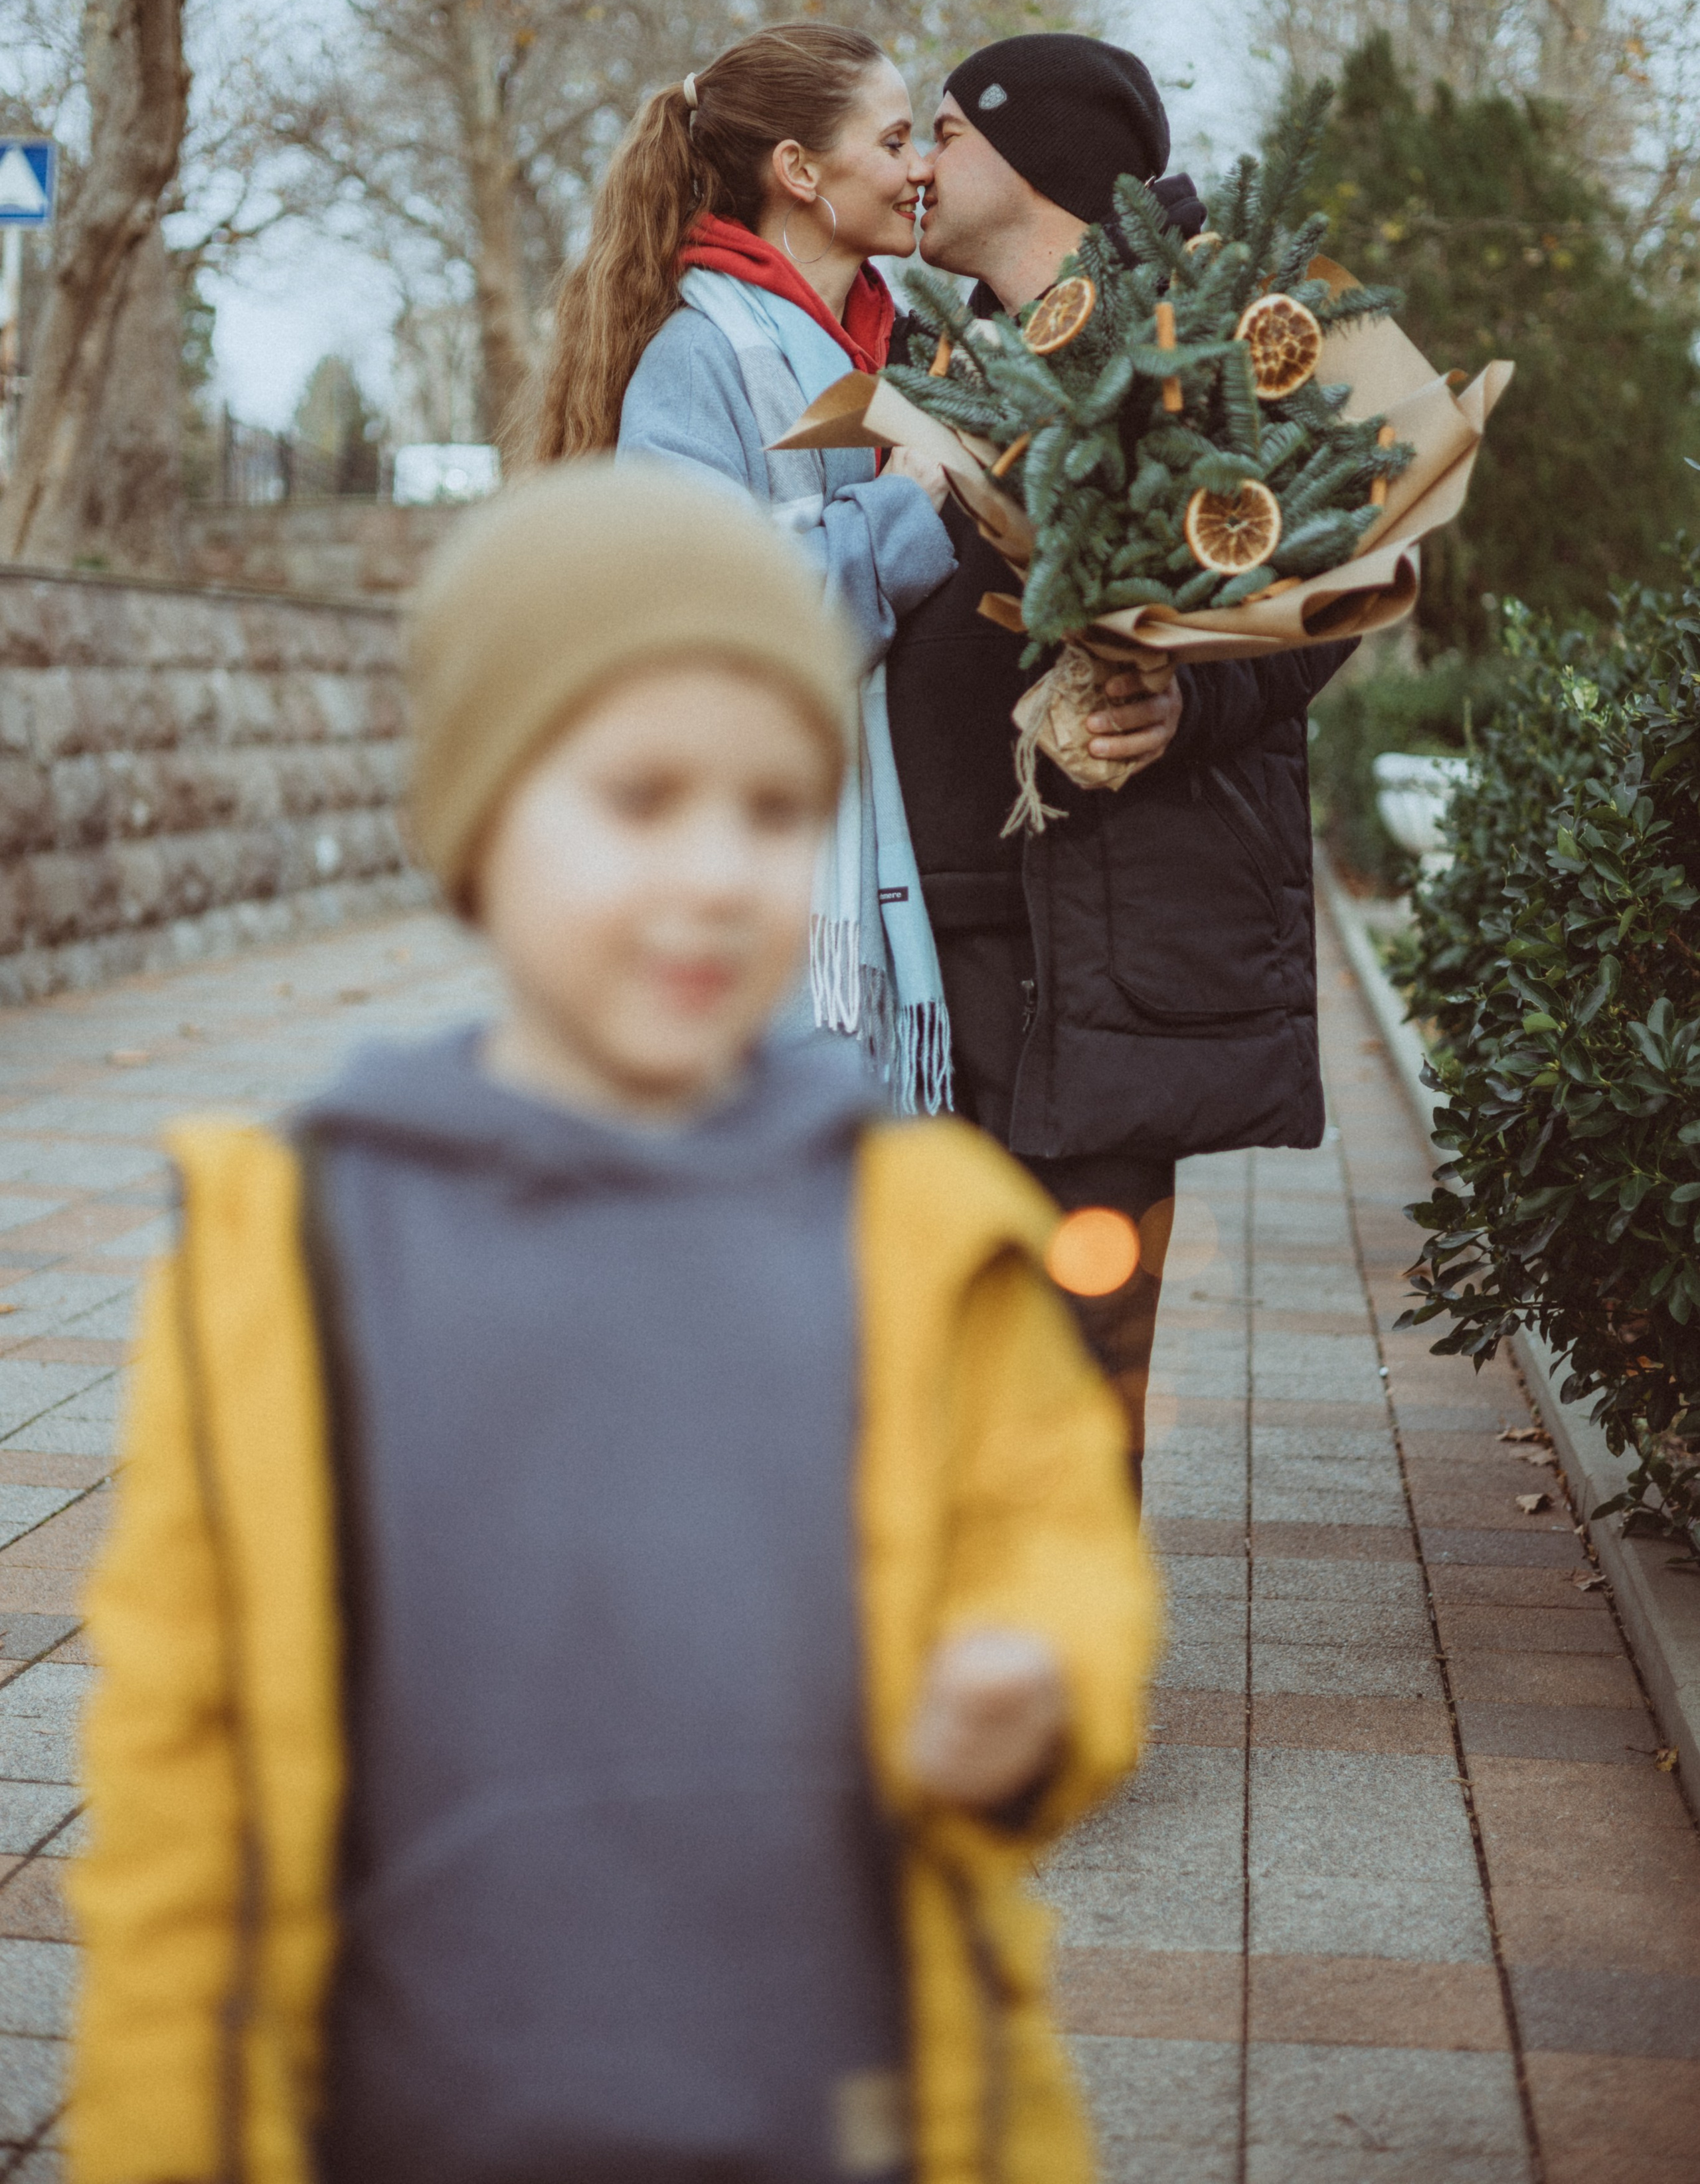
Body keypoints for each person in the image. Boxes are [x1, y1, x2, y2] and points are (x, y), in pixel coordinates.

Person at [68, 463, 1159, 2184]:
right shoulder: (298, 1249)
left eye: (773, 808)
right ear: (480, 817)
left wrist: (1036, 1666)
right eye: (639, 800)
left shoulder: (914, 1227)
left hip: (834, 2111)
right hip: (416, 2116)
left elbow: (1047, 1530)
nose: (715, 873)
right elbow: (176, 1791)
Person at [887, 32, 1354, 1489]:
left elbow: (1329, 588)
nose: (916, 165)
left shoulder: (1212, 341)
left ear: (1040, 158)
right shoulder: (924, 352)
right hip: (939, 922)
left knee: (1080, 1357)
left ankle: (1067, 1624)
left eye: (943, 132)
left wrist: (1182, 704)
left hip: (1106, 931)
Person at [529, 21, 959, 1110]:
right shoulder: (700, 355)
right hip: (765, 878)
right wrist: (900, 513)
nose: (922, 169)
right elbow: (706, 619)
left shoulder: (893, 349)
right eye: (896, 141)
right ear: (800, 172)